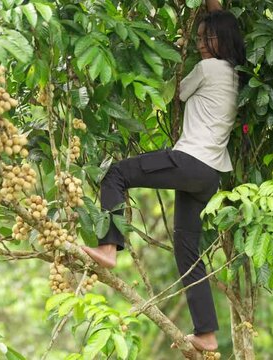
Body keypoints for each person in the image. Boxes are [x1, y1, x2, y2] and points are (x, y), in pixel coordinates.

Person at [80, 0, 246, 352]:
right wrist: (212, 10)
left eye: (209, 38)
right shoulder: (234, 73)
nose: (202, 43)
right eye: (200, 37)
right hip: (210, 174)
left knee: (115, 174)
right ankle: (207, 334)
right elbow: (219, 24)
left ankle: (108, 247)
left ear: (223, 40)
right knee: (187, 248)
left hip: (189, 160)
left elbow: (180, 92)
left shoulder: (208, 69)